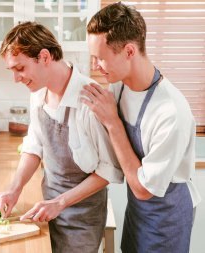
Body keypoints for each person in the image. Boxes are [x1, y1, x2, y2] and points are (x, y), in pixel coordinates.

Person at [0, 21, 123, 253]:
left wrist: (60, 202)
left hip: (81, 220)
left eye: (20, 69)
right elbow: (34, 145)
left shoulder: (89, 100)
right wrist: (15, 188)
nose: (16, 79)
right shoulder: (38, 91)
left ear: (44, 57)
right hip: (46, 208)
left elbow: (109, 169)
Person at [81, 2, 201, 253]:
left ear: (129, 51)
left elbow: (144, 189)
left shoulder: (170, 113)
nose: (96, 67)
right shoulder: (119, 85)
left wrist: (113, 123)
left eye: (101, 58)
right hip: (137, 210)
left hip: (166, 217)